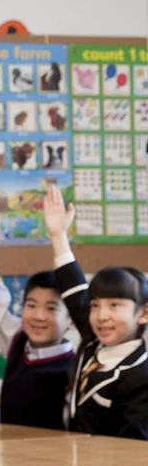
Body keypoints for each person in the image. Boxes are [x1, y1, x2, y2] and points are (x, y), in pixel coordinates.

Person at [0, 201, 74, 429]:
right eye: (31, 305)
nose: (38, 316)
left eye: (51, 308)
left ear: (71, 320)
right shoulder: (17, 341)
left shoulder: (75, 367)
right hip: (7, 458)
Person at [44, 185, 148, 440]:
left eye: (115, 305)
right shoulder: (94, 338)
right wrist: (58, 235)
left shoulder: (142, 375)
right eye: (95, 305)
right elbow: (73, 286)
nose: (101, 316)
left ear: (143, 314)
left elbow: (134, 443)